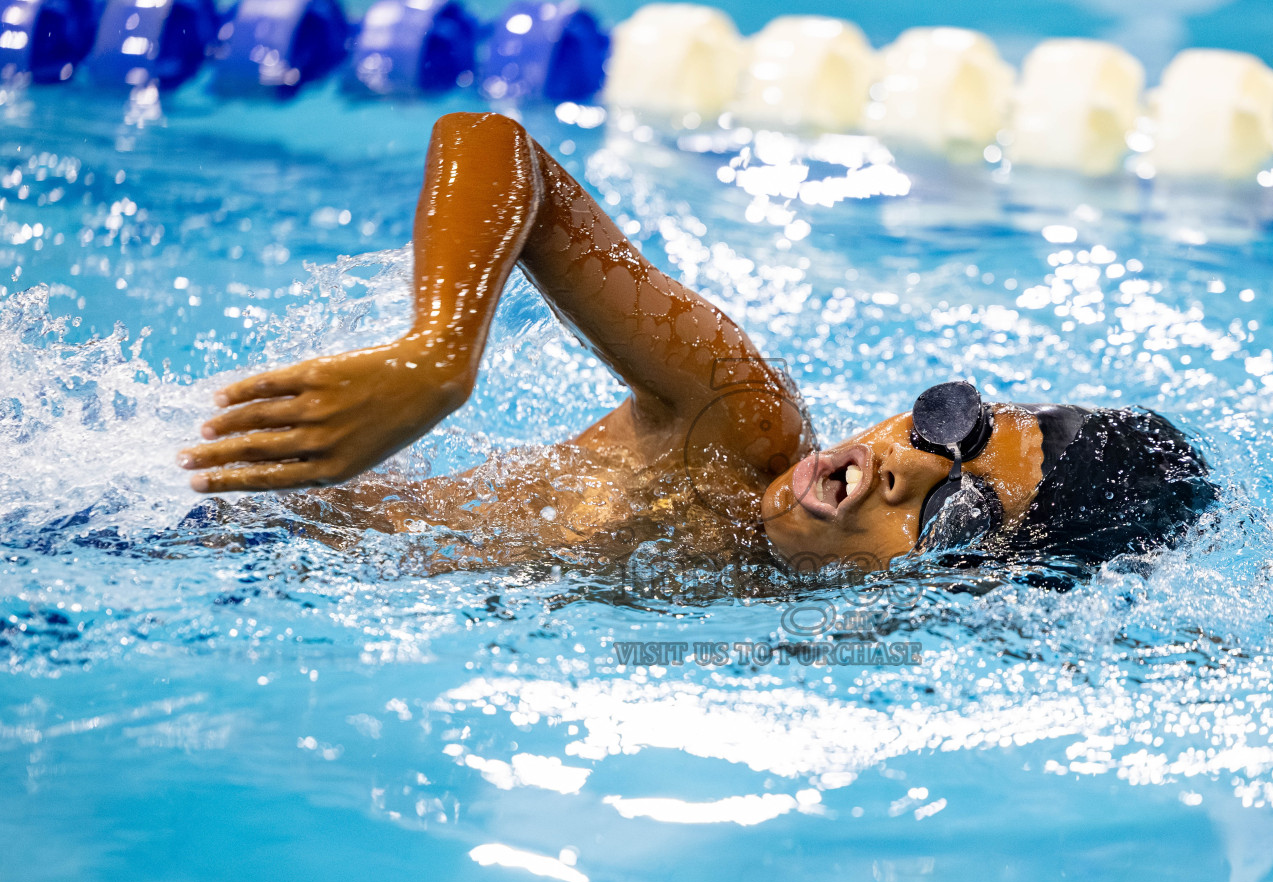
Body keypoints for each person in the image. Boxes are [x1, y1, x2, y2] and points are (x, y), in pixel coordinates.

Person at [176, 111, 1214, 580]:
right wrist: (439, 351)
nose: (900, 462)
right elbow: (495, 144)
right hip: (187, 533)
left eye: (958, 506)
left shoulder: (858, 639)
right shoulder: (737, 424)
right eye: (952, 424)